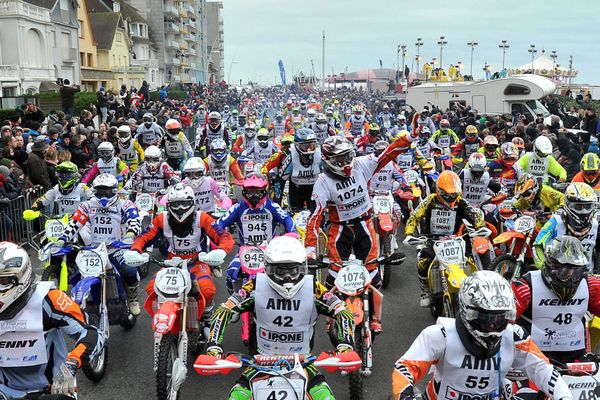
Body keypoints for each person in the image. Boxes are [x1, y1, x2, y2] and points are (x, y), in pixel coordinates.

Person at [205, 236, 355, 400]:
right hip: (260, 364)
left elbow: (343, 311)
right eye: (281, 271)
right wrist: (214, 348)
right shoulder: (255, 286)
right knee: (235, 397)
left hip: (303, 363)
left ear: (302, 267)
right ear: (268, 268)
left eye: (293, 270)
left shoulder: (313, 288)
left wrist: (345, 345)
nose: (287, 278)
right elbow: (224, 310)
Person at [393, 270, 572, 400]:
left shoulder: (515, 336)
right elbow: (405, 367)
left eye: (500, 318)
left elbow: (544, 370)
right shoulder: (441, 334)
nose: (493, 325)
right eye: (486, 318)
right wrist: (406, 396)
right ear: (467, 311)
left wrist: (564, 396)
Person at [305, 135, 409, 332]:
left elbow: (387, 155)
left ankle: (376, 319)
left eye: (348, 156)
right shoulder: (323, 180)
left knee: (374, 275)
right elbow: (315, 216)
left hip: (365, 225)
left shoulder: (361, 164)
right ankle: (330, 318)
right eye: (339, 160)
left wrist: (409, 138)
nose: (345, 163)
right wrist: (310, 248)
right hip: (339, 229)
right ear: (328, 161)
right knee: (333, 278)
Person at [0, 241, 103, 397]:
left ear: (22, 276)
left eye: (3, 281)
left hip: (52, 389)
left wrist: (72, 363)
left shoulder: (48, 298)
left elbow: (91, 332)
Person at [131, 183, 234, 317]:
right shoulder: (161, 219)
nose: (180, 208)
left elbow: (223, 236)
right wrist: (135, 250)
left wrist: (222, 250)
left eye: (184, 204)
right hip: (171, 264)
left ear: (192, 203)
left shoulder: (202, 218)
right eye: (176, 204)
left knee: (207, 289)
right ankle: (162, 316)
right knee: (152, 289)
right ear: (169, 205)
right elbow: (144, 236)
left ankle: (208, 316)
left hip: (197, 262)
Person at [58, 173, 142, 314]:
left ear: (114, 190)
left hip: (116, 248)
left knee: (130, 270)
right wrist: (62, 238)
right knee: (78, 274)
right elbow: (74, 223)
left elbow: (134, 220)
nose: (103, 195)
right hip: (94, 250)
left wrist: (130, 234)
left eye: (107, 191)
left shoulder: (124, 204)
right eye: (100, 191)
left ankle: (132, 297)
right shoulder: (87, 205)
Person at [404, 170, 486, 307]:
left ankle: (472, 289)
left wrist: (480, 227)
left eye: (453, 193)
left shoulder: (460, 202)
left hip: (455, 241)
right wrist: (409, 234)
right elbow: (415, 216)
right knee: (423, 262)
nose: (450, 197)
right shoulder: (430, 200)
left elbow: (474, 215)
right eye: (447, 194)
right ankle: (425, 290)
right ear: (440, 191)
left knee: (469, 261)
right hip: (432, 241)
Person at [513, 236, 600, 365]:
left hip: (575, 359)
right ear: (550, 266)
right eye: (564, 271)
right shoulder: (525, 287)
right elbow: (504, 325)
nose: (570, 278)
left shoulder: (591, 286)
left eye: (576, 271)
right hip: (533, 360)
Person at [213, 173, 295, 292]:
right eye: (250, 191)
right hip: (245, 250)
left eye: (257, 191)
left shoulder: (272, 206)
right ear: (244, 191)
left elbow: (287, 219)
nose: (254, 195)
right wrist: (218, 228)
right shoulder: (238, 207)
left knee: (284, 276)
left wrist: (292, 233)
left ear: (264, 190)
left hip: (270, 251)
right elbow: (222, 221)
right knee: (231, 274)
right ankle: (235, 300)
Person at [533, 182, 599, 271]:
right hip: (557, 276)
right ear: (568, 204)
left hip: (587, 276)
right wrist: (545, 269)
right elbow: (538, 247)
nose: (584, 211)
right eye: (578, 207)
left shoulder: (596, 225)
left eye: (588, 206)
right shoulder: (556, 222)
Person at [262, 128, 321, 212]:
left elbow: (328, 177)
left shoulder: (319, 156)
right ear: (297, 146)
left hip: (314, 191)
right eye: (304, 146)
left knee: (317, 215)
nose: (308, 150)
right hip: (296, 191)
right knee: (295, 215)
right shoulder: (291, 158)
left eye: (311, 146)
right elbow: (280, 180)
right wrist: (277, 203)